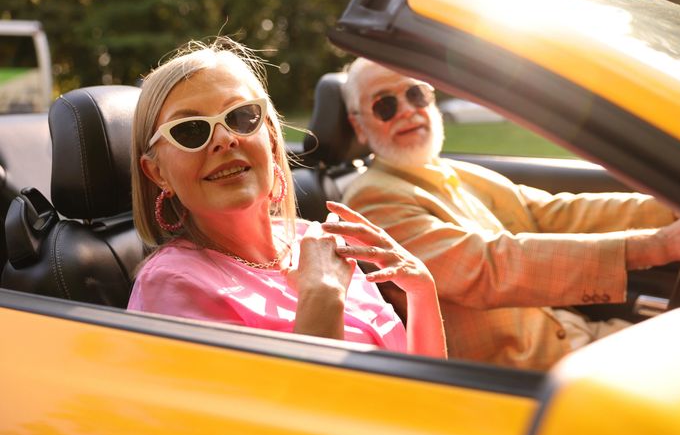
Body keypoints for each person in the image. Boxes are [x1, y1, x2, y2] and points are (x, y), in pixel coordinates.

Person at [340, 57, 680, 370]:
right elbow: (488, 267)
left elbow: (552, 213)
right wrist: (659, 246)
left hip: (579, 337)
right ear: (359, 125)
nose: (408, 111)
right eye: (385, 105)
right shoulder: (373, 200)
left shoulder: (454, 171)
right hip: (520, 376)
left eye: (415, 94)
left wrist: (672, 210)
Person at [128, 39, 446, 359]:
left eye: (241, 117)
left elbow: (422, 382)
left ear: (270, 136)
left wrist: (421, 290)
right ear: (157, 173)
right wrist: (321, 294)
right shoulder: (169, 284)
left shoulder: (312, 239)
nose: (225, 139)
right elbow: (286, 406)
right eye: (191, 130)